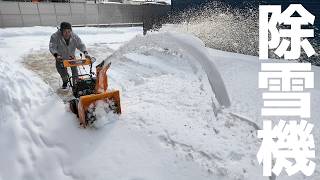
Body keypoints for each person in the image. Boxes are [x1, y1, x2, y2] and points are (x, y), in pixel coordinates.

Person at [49, 22, 90, 89]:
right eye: (65, 31)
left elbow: (80, 45)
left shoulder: (74, 36)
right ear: (61, 31)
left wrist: (85, 52)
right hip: (60, 58)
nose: (67, 33)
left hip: (71, 57)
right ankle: (65, 81)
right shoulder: (55, 36)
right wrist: (56, 55)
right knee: (64, 74)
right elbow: (52, 47)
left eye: (69, 31)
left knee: (75, 72)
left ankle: (76, 86)